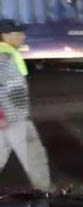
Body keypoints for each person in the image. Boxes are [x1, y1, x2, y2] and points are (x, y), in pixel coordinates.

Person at [0, 19, 51, 191]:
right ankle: (46, 197)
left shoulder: (7, 54)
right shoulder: (4, 56)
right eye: (18, 32)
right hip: (13, 120)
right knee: (35, 158)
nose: (23, 36)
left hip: (10, 119)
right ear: (5, 35)